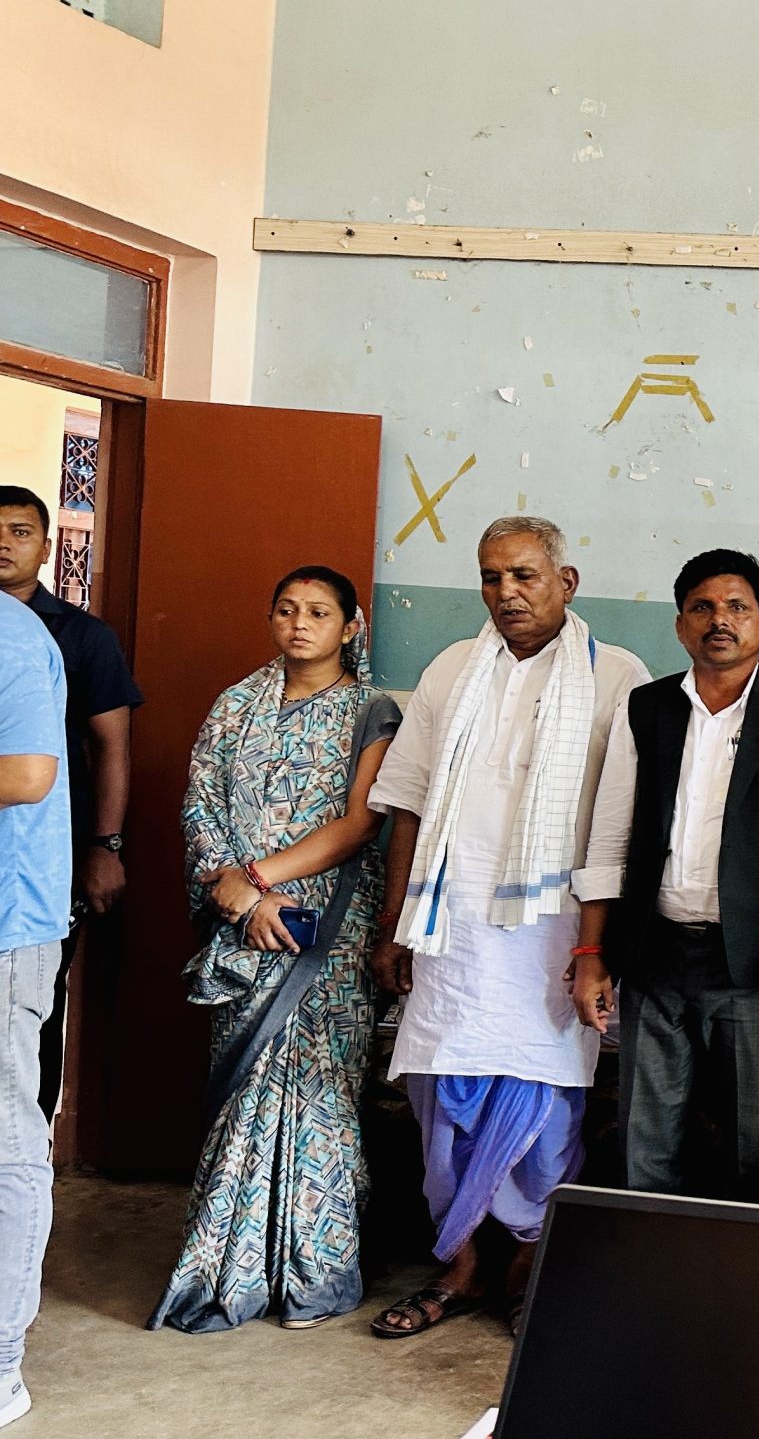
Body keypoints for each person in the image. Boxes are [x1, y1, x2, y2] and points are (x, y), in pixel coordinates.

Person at [364, 516, 647, 1336]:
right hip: (450, 931)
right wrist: (395, 923)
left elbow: (623, 827)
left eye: (524, 575)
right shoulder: (453, 668)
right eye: (492, 577)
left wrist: (598, 949)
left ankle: (526, 1265)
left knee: (544, 1106)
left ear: (567, 582)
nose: (507, 593)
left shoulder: (617, 677)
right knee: (442, 1098)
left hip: (555, 938)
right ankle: (460, 1266)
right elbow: (408, 802)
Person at [148, 567, 399, 1333]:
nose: (300, 623)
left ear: (350, 627)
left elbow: (361, 824)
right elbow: (201, 805)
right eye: (287, 610)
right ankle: (229, 1272)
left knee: (322, 1095)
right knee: (245, 1095)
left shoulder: (372, 711)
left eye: (319, 612)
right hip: (245, 925)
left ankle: (317, 1273)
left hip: (327, 931)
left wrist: (261, 880)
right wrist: (243, 899)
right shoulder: (235, 706)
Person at [571, 550, 759, 1199]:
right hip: (654, 954)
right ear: (681, 625)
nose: (720, 620)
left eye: (738, 607)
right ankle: (646, 1252)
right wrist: (593, 955)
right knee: (645, 1139)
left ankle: (741, 1259)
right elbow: (610, 836)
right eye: (702, 607)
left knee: (751, 1141)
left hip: (752, 961)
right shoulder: (646, 708)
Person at [0, 485, 143, 1123]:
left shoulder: (81, 637)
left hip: (46, 853)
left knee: (32, 1006)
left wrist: (105, 847)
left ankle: (31, 1146)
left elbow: (111, 747)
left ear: (47, 546)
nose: (4, 543)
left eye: (20, 531)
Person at [0, 588, 68, 1428]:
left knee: (7, 1139)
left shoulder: (11, 637)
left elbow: (26, 774)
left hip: (6, 930)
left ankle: (1, 1363)